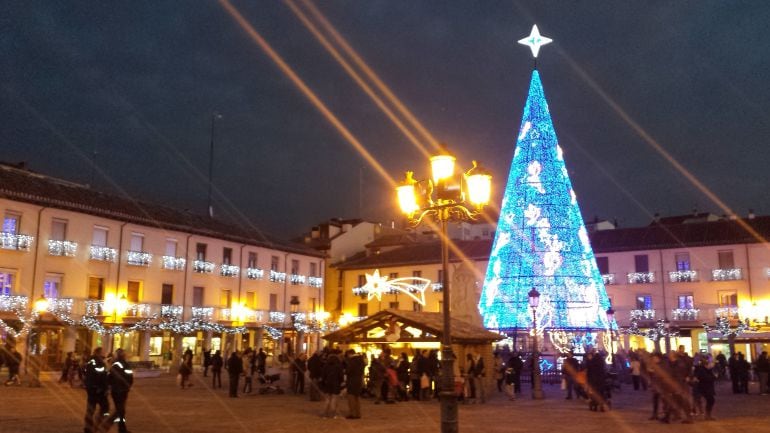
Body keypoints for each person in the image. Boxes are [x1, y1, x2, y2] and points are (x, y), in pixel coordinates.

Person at [100, 348, 133, 433]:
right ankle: (106, 426)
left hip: (116, 391)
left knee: (120, 410)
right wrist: (127, 386)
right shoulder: (125, 364)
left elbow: (109, 377)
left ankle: (121, 429)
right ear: (123, 355)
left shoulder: (114, 364)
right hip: (122, 391)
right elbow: (130, 378)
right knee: (120, 410)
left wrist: (110, 386)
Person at [83, 347, 109, 433]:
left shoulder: (90, 361)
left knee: (91, 409)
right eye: (102, 352)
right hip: (97, 390)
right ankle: (96, 426)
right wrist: (104, 388)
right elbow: (101, 377)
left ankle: (88, 428)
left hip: (92, 389)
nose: (104, 353)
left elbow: (84, 372)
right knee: (105, 408)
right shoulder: (97, 362)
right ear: (98, 353)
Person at [320, 352, 344, 418]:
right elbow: (341, 376)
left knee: (327, 400)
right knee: (334, 399)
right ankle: (333, 414)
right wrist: (341, 382)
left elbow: (323, 376)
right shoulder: (339, 366)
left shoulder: (326, 366)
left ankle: (324, 414)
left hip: (327, 384)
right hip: (336, 384)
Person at [693, 355, 717, 420]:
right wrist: (714, 377)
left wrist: (714, 377)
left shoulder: (708, 370)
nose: (712, 365)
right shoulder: (702, 370)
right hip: (704, 388)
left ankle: (707, 415)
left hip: (707, 388)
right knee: (710, 400)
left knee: (711, 400)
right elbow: (706, 378)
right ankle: (706, 415)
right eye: (711, 363)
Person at [344, 349, 366, 419]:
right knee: (357, 398)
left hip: (352, 381)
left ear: (349, 354)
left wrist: (345, 371)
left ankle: (352, 413)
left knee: (351, 397)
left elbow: (349, 371)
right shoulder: (361, 360)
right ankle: (358, 413)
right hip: (359, 380)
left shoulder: (352, 360)